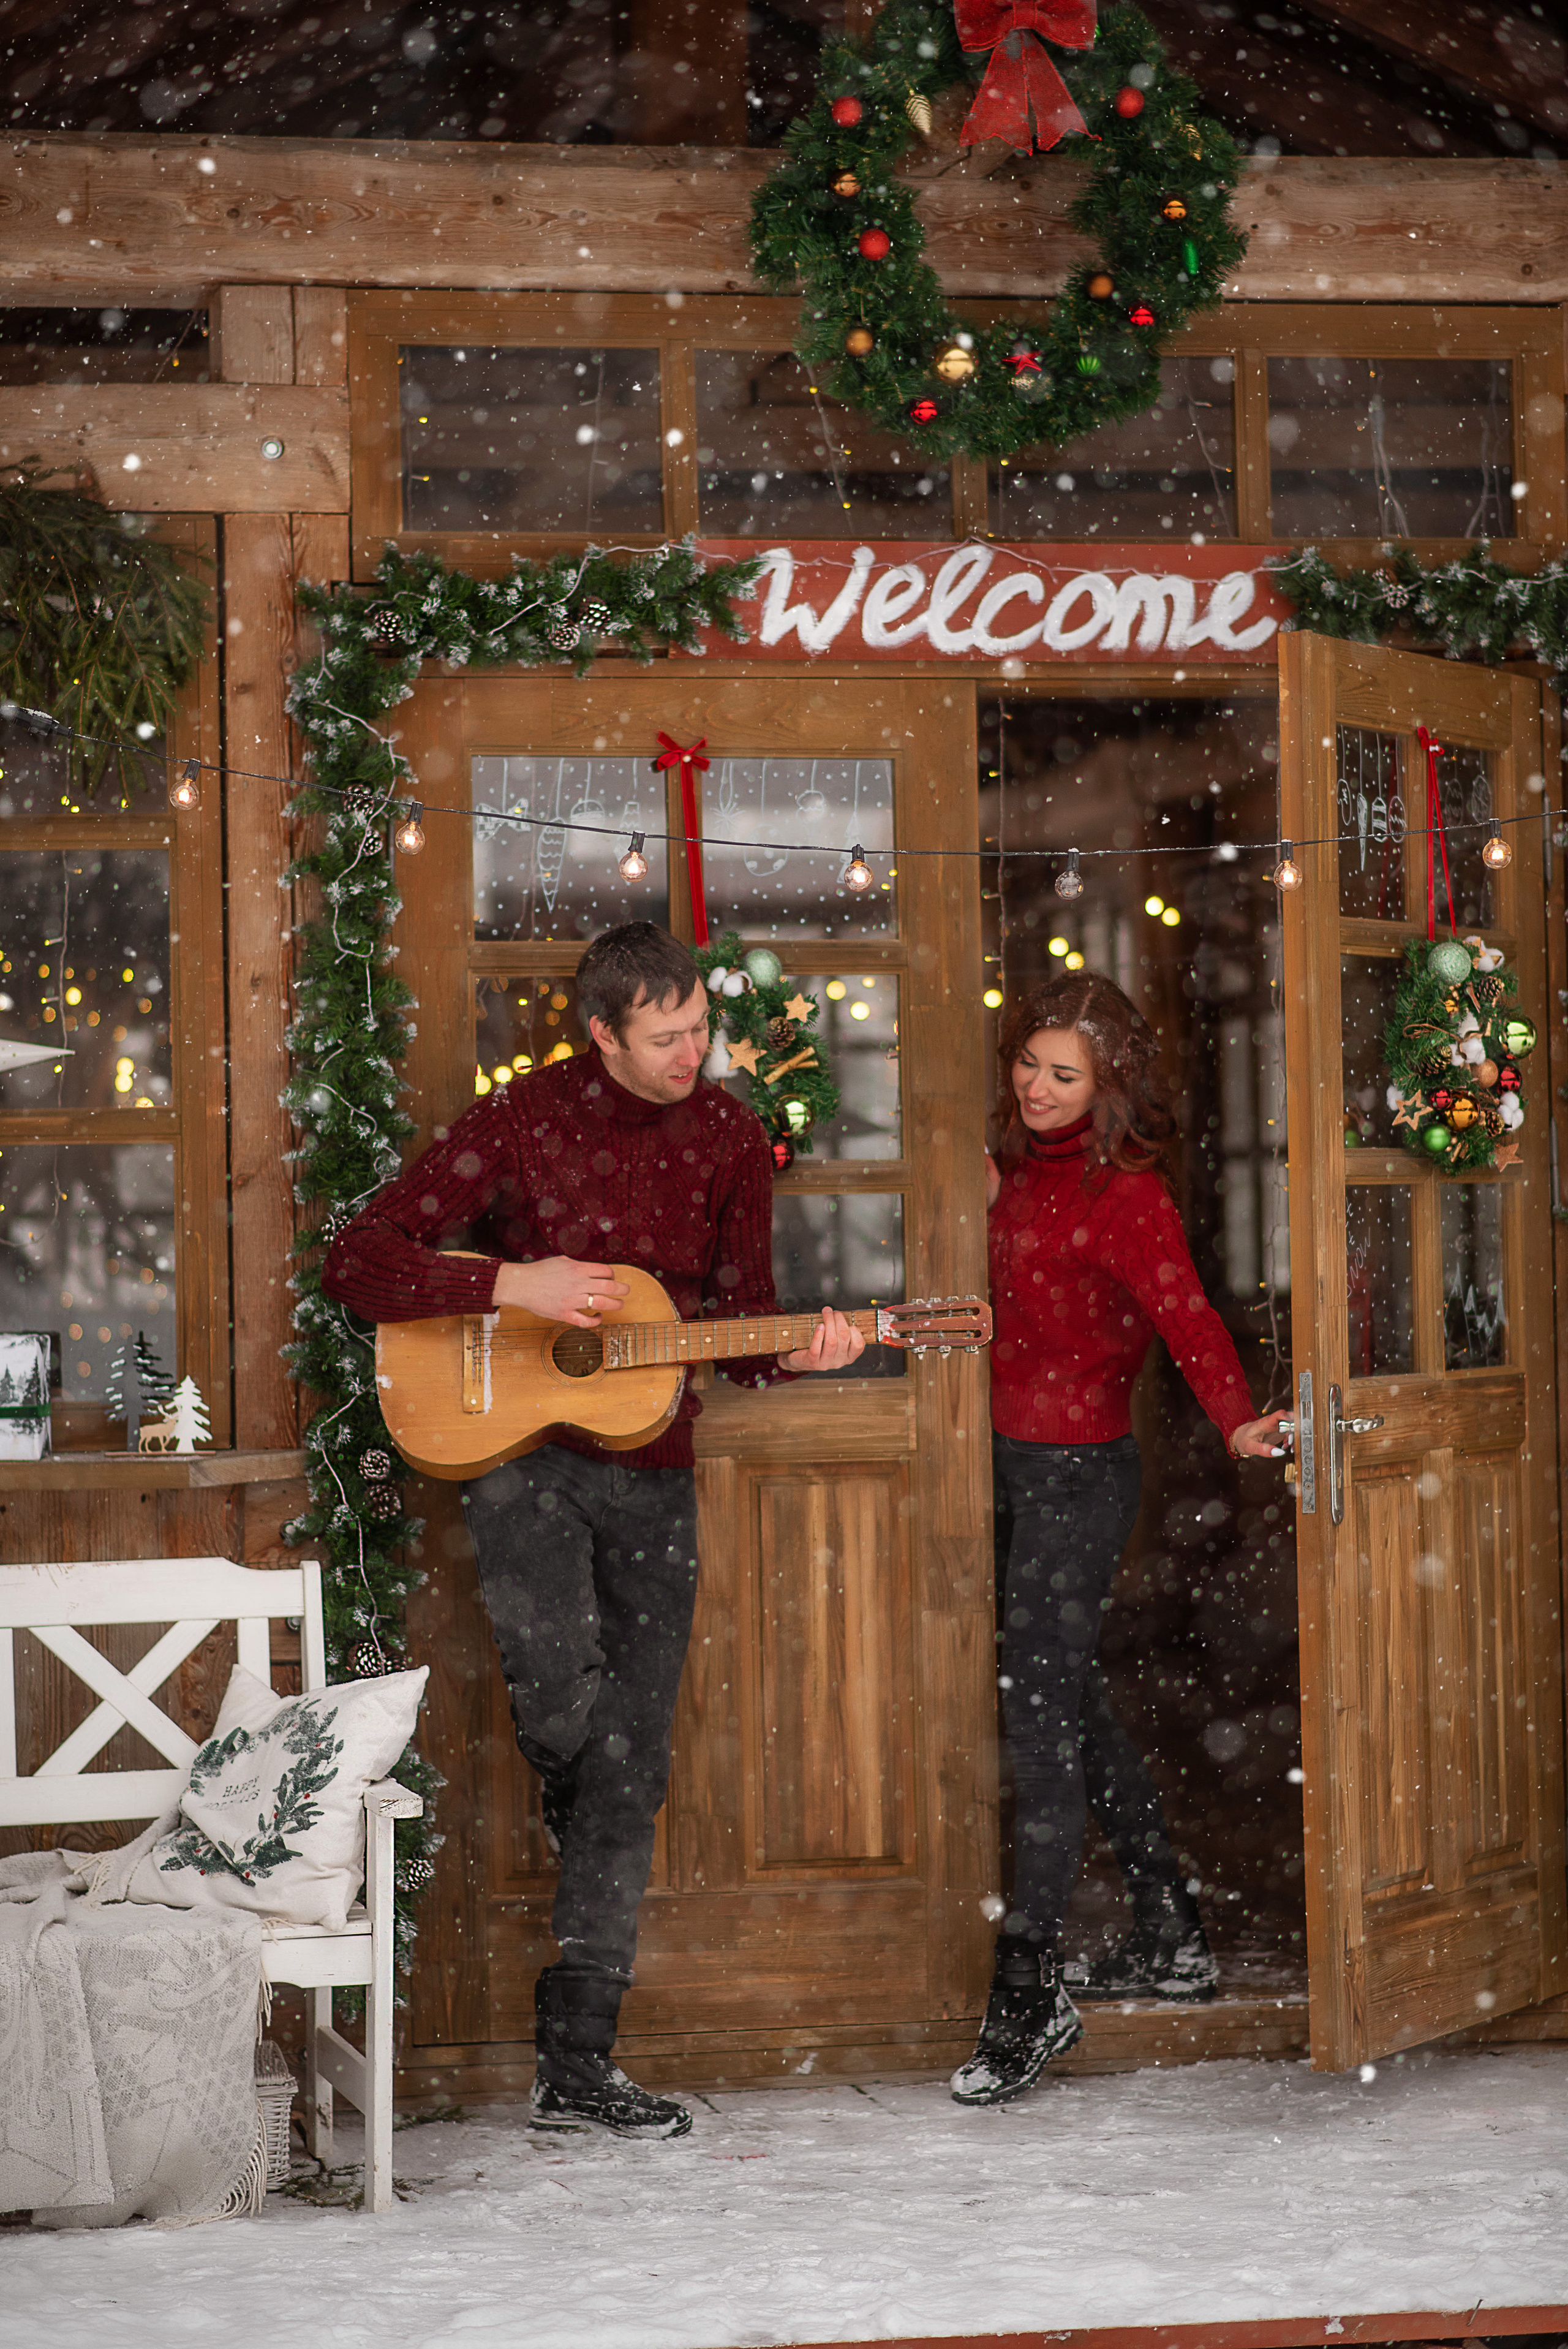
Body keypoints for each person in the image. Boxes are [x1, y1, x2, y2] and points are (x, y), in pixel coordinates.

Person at [323, 921, 864, 2141]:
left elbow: (745, 1333)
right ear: (602, 1034)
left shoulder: (729, 1137)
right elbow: (357, 1259)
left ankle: (577, 2061)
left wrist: (805, 1350)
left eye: (700, 1030)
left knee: (633, 1758)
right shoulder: (522, 1120)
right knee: (569, 1709)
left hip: (655, 1479)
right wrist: (509, 1283)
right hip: (524, 1463)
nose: (692, 1055)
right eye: (665, 1037)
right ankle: (585, 1786)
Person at [950, 971, 1285, 2109]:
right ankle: (1170, 1928)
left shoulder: (1128, 1198)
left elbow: (1189, 1315)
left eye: (1066, 1074)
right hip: (995, 1470)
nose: (1037, 1087)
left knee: (1039, 1726)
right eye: (1028, 1063)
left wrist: (1236, 1418)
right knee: (1070, 1701)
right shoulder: (998, 1177)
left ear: (1110, 1086)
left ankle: (1028, 1988)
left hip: (1079, 1481)